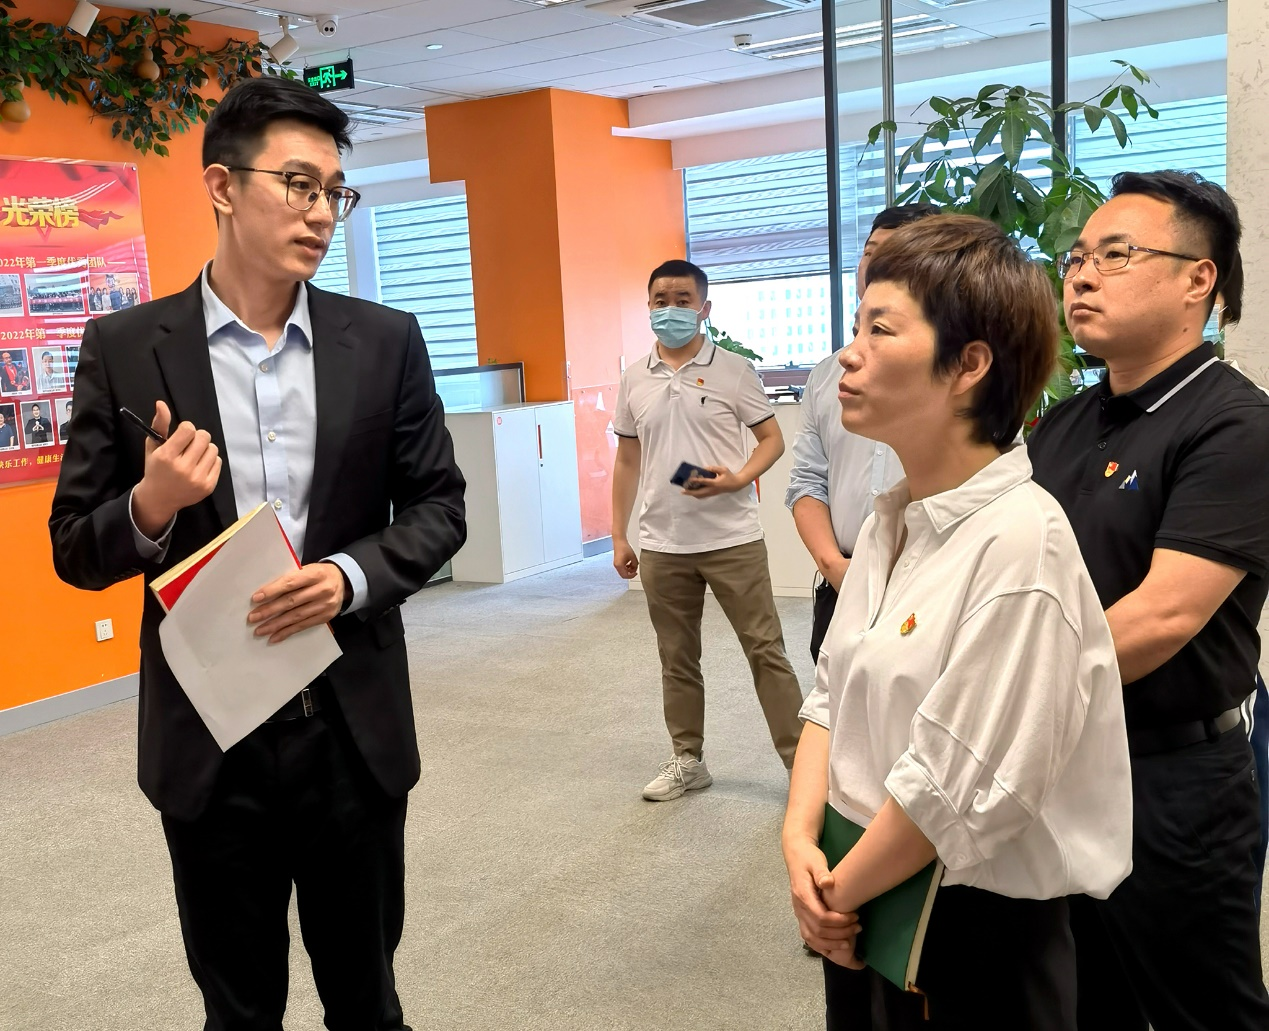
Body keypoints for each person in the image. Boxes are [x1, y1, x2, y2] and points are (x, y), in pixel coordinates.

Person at [49, 75, 467, 1031]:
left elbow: (439, 506)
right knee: (237, 1010)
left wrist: (349, 577)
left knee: (367, 1000)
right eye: (297, 184)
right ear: (223, 187)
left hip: (350, 732)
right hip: (210, 736)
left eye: (334, 192)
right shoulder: (126, 347)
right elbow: (75, 546)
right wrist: (152, 503)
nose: (319, 213)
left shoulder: (385, 341)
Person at [782, 214, 1133, 1030]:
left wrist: (831, 893)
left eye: (879, 329)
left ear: (968, 364)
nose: (849, 352)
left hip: (971, 926)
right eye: (855, 326)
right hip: (860, 892)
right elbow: (830, 694)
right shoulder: (890, 519)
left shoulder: (1022, 541)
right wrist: (799, 842)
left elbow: (952, 788)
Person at [1026, 170, 1269, 1031]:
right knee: (1079, 997)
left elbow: (1162, 615)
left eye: (1115, 254)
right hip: (1059, 757)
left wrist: (1000, 686)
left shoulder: (1233, 424)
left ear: (1198, 279)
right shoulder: (1062, 423)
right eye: (1076, 258)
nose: (1081, 276)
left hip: (1170, 778)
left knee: (1203, 1008)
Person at [612, 258, 806, 800]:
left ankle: (802, 769)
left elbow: (772, 439)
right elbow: (627, 459)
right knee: (676, 658)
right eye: (661, 301)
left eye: (682, 300)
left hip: (731, 539)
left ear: (704, 308)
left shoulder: (734, 370)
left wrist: (738, 477)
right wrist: (620, 534)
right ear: (649, 306)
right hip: (662, 542)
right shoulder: (634, 377)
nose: (670, 310)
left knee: (766, 651)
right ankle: (688, 759)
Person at [786, 203, 939, 664]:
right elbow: (807, 481)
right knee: (832, 695)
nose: (875, 266)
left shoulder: (953, 376)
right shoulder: (827, 375)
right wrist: (834, 567)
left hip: (928, 581)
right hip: (841, 578)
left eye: (895, 254)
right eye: (870, 252)